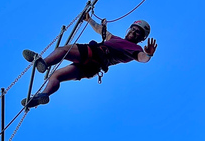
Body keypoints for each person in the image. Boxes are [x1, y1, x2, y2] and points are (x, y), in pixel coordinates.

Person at [21, 14, 158, 107]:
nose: (133, 32)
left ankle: (44, 63)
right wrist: (89, 19)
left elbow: (141, 58)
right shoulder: (115, 39)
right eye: (132, 29)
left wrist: (148, 55)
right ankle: (44, 95)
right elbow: (101, 30)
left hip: (95, 54)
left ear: (141, 38)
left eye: (137, 32)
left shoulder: (136, 49)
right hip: (93, 68)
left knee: (62, 50)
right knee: (56, 76)